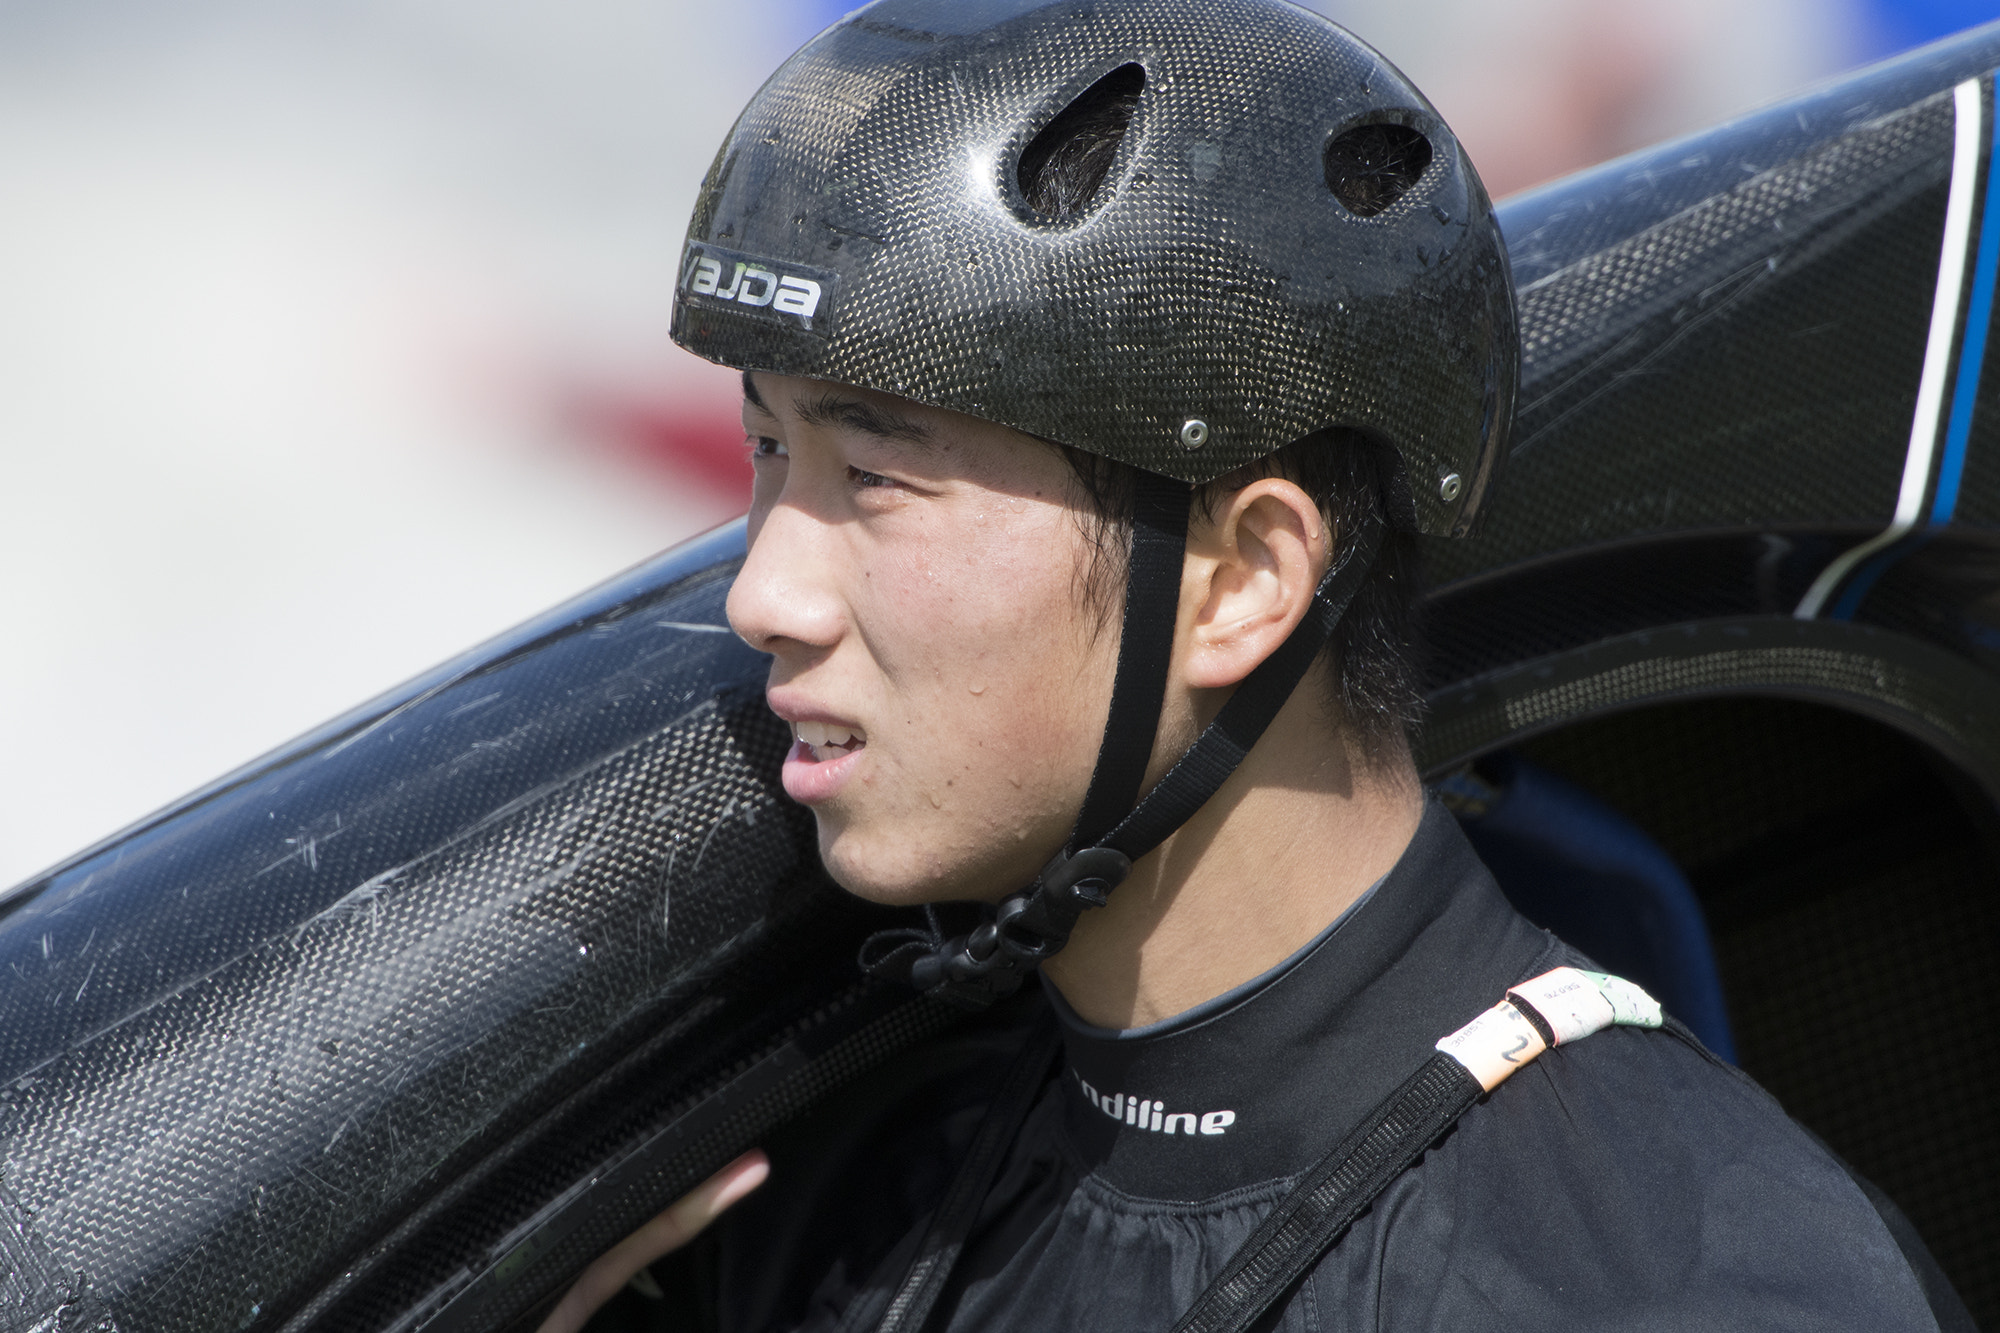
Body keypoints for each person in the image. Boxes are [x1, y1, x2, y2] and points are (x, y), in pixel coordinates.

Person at [546, 0, 1965, 1328]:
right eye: (767, 451)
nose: (763, 591)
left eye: (875, 476)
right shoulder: (832, 1195)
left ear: (1245, 580)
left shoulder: (1672, 1278)